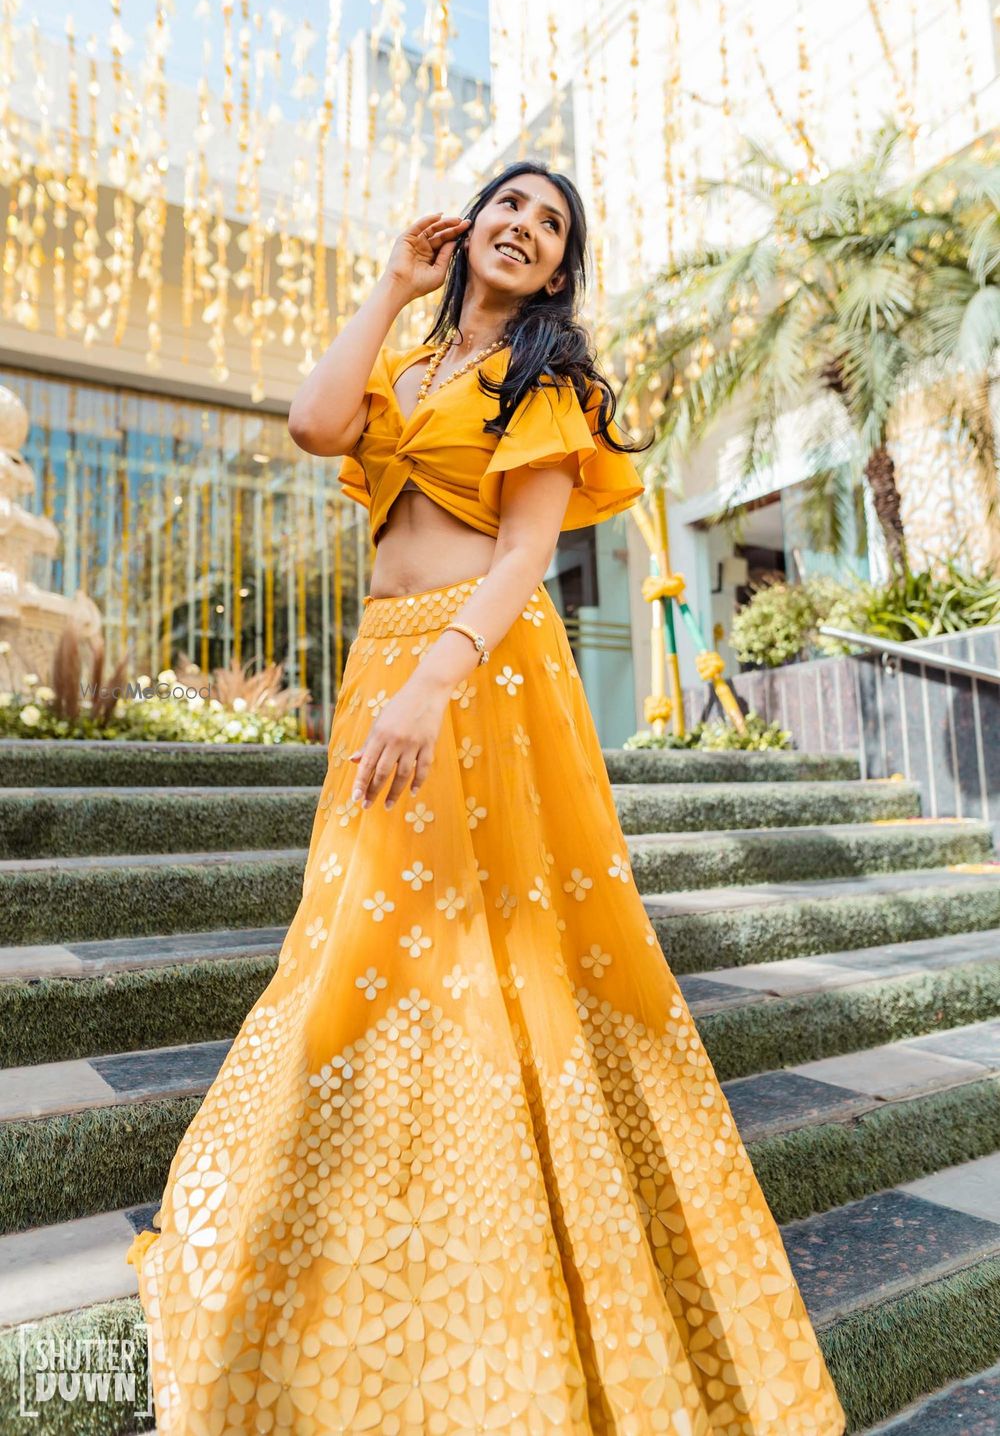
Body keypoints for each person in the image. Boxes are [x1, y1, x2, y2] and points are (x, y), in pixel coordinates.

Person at [126, 161, 846, 1435]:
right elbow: (310, 421)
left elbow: (525, 553)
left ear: (561, 267)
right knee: (358, 924)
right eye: (507, 207)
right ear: (469, 232)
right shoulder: (408, 364)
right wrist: (392, 284)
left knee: (488, 938)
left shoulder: (547, 378)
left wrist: (438, 682)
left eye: (550, 222)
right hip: (380, 667)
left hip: (480, 671)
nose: (523, 227)